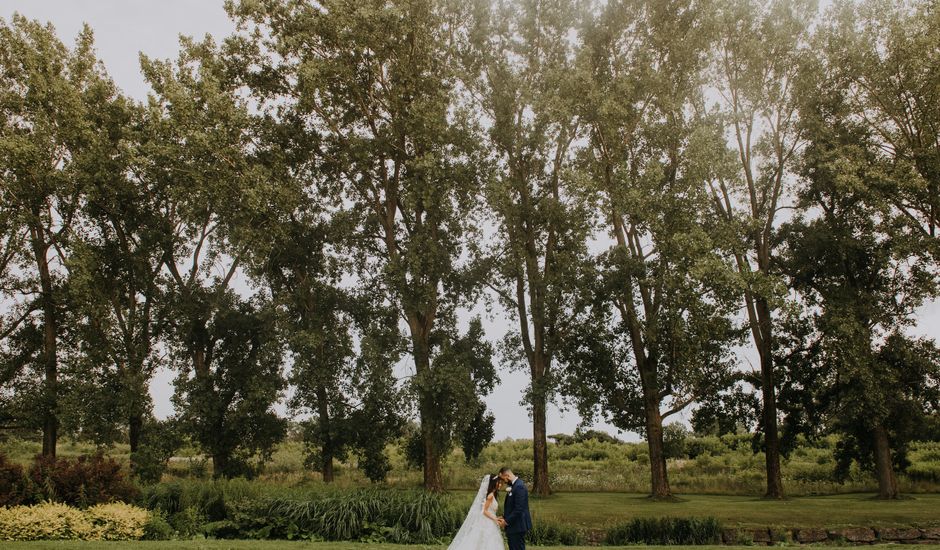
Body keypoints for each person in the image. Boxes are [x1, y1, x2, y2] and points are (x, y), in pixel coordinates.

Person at [446, 474, 506, 550]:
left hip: (490, 520)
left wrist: (496, 518)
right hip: (487, 521)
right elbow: (484, 511)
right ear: (493, 483)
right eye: (498, 482)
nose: (500, 484)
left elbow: (489, 511)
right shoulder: (490, 496)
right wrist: (495, 519)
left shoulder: (493, 495)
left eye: (500, 483)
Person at [497, 466, 532, 550]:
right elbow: (512, 506)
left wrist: (506, 521)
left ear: (507, 475)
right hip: (514, 525)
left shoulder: (519, 486)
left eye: (503, 479)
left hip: (517, 525)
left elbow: (519, 509)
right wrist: (504, 517)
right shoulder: (514, 486)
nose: (504, 482)